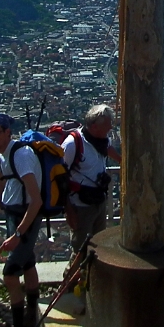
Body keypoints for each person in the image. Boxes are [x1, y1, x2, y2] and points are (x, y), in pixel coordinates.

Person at [0, 112, 43, 327]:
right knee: (27, 263)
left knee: (10, 273)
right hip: (13, 213)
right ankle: (31, 313)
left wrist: (17, 235)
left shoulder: (21, 155)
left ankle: (19, 326)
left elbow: (36, 200)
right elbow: (0, 187)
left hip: (26, 216)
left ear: (8, 132)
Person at [59, 104, 121, 255]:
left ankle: (91, 277)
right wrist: (68, 211)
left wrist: (124, 162)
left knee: (99, 246)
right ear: (94, 126)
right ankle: (73, 277)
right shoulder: (72, 144)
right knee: (81, 249)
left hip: (98, 201)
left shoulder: (101, 139)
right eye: (107, 126)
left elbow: (108, 149)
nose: (109, 129)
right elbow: (59, 177)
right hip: (80, 206)